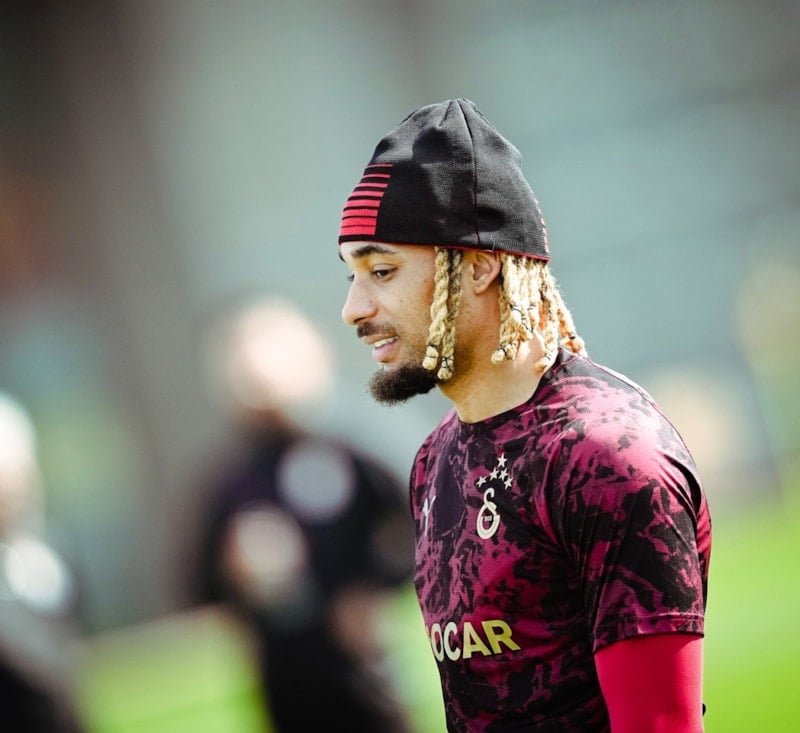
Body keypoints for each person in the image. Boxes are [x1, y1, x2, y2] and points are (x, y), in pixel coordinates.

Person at [337, 99, 712, 732]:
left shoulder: (605, 457)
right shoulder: (434, 459)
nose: (353, 308)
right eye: (351, 275)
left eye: (381, 270)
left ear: (479, 265)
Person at [187, 296, 415, 733]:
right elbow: (199, 582)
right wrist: (234, 573)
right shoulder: (233, 481)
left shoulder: (355, 451)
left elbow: (415, 523)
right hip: (286, 682)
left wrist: (373, 589)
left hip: (366, 676)